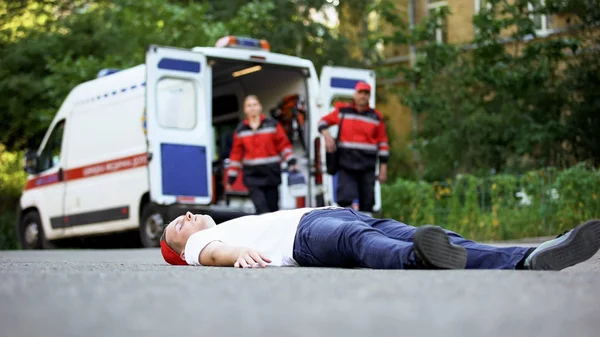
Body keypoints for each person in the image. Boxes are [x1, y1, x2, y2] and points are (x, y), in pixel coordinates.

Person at [159, 206, 600, 271]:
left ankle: (526, 258)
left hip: (326, 214)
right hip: (306, 235)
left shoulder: (222, 221)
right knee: (355, 239)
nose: (185, 217)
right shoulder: (201, 246)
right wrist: (238, 254)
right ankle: (415, 261)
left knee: (433, 234)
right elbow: (213, 253)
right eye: (178, 225)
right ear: (182, 248)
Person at [318, 81, 389, 213]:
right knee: (345, 201)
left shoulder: (376, 117)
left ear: (369, 96)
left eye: (366, 93)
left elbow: (383, 143)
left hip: (367, 167)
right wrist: (327, 135)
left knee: (367, 204)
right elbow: (322, 121)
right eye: (360, 92)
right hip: (347, 165)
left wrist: (383, 168)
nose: (363, 96)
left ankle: (365, 231)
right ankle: (346, 230)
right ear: (355, 94)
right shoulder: (342, 111)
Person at [226, 95, 297, 214]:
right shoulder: (240, 130)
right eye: (249, 105)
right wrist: (231, 179)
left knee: (273, 210)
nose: (252, 108)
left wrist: (291, 161)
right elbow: (236, 155)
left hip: (271, 173)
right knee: (261, 209)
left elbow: (283, 145)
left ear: (260, 107)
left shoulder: (272, 125)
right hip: (252, 176)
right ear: (245, 110)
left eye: (254, 105)